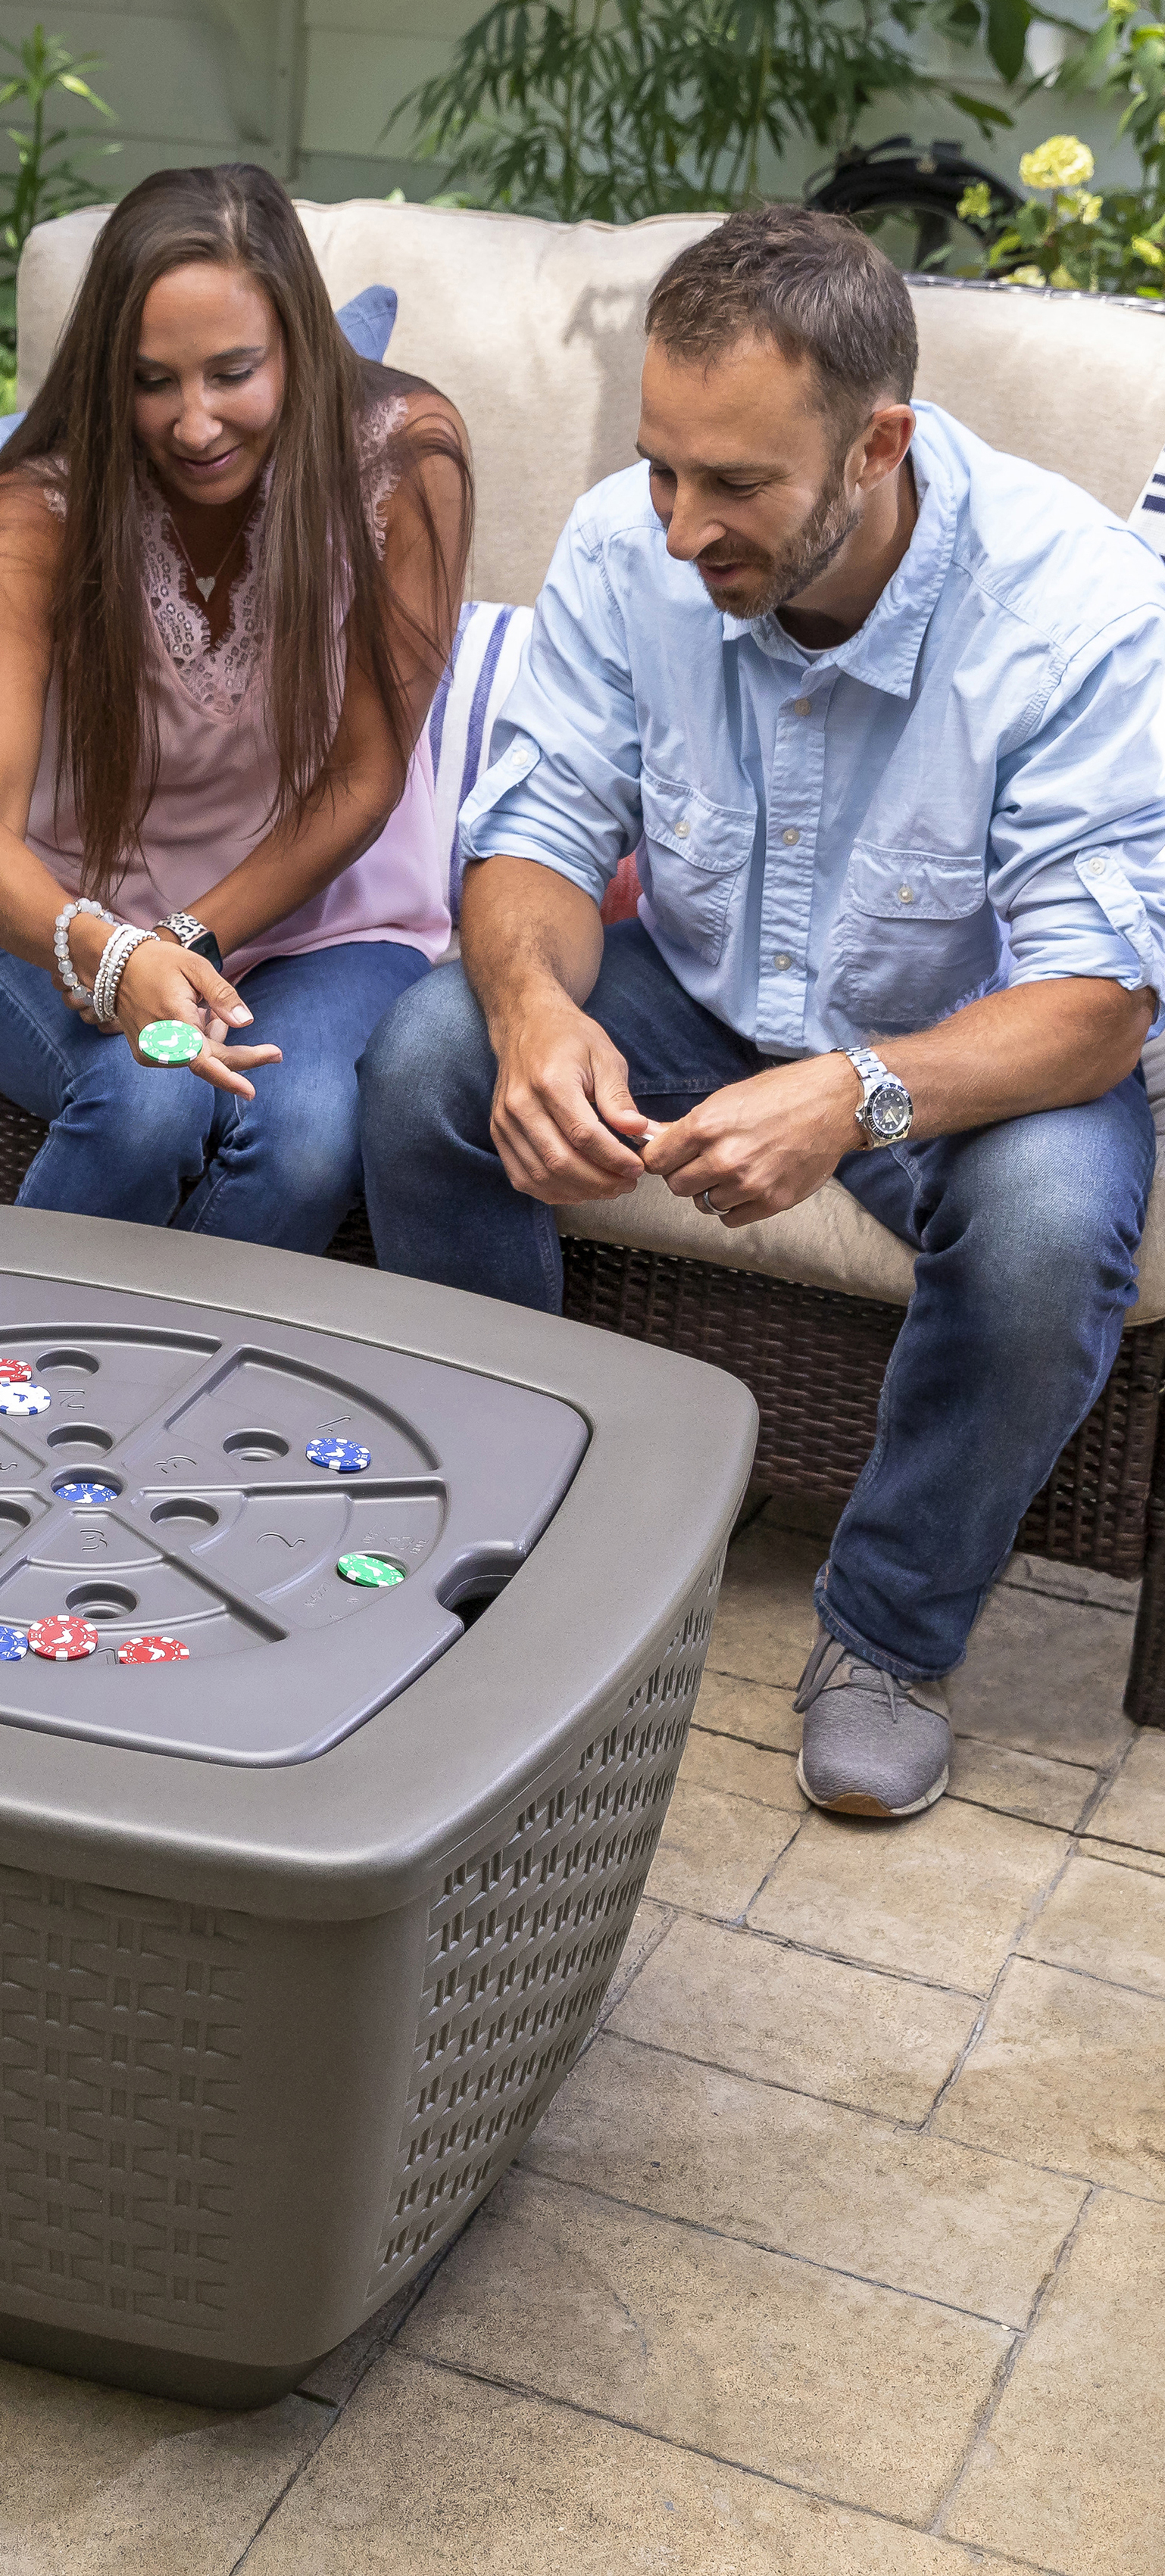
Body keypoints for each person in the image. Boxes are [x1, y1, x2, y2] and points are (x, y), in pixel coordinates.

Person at [359, 207, 1165, 1821]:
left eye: (732, 486)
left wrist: (848, 1096)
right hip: (705, 984)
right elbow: (532, 842)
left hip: (966, 1049)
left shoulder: (1075, 607)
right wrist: (531, 1014)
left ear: (878, 445)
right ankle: (524, 1518)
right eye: (661, 465)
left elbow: (1096, 1008)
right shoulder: (619, 547)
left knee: (1048, 1219)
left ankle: (883, 1638)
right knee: (430, 1055)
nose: (674, 527)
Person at [0, 163, 470, 1252]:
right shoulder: (35, 512)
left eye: (233, 372)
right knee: (149, 1101)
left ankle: (165, 1406)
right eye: (151, 381)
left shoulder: (407, 459)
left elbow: (367, 776)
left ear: (299, 347)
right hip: (63, 909)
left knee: (309, 1138)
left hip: (324, 918)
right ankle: (13, 1385)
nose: (194, 423)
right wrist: (118, 956)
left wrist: (187, 939)